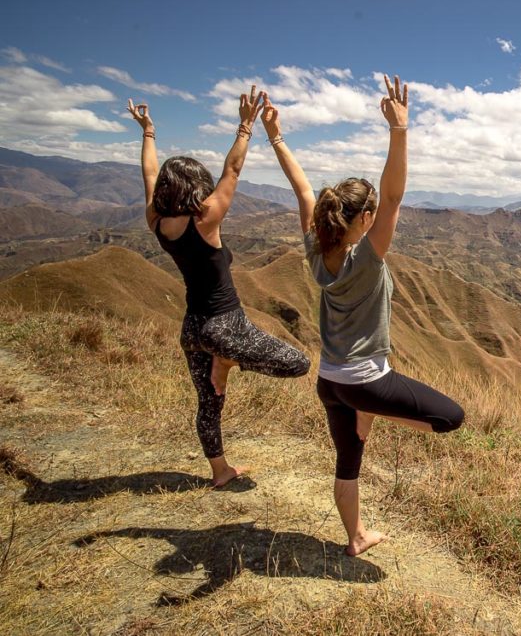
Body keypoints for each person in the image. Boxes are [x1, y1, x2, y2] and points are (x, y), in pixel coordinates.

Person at [261, 74, 464, 556]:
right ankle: (377, 408)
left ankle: (355, 538)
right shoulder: (367, 258)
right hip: (362, 380)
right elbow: (393, 196)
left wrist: (276, 136)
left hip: (329, 378)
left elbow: (301, 188)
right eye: (371, 213)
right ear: (363, 221)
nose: (378, 215)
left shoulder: (317, 247)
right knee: (451, 418)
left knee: (348, 460)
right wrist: (400, 130)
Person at [127, 88, 311, 488]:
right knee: (298, 364)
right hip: (226, 326)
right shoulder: (205, 220)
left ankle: (220, 471)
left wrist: (149, 133)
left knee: (208, 404)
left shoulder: (155, 220)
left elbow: (148, 175)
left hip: (192, 329)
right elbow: (233, 171)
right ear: (197, 187)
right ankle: (227, 360)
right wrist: (246, 126)